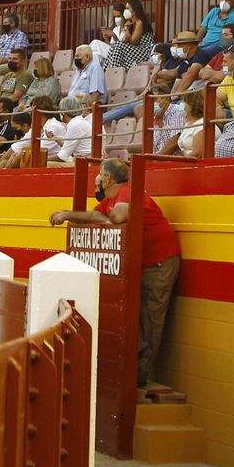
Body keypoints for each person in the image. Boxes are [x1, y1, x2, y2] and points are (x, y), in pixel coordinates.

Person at [48, 158, 180, 387]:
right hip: (142, 263)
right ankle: (133, 375)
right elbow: (93, 216)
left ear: (108, 178)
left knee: (150, 318)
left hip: (158, 263)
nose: (97, 180)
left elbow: (119, 217)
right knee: (137, 316)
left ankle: (139, 378)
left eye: (100, 175)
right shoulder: (111, 199)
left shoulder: (126, 192)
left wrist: (105, 220)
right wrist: (66, 214)